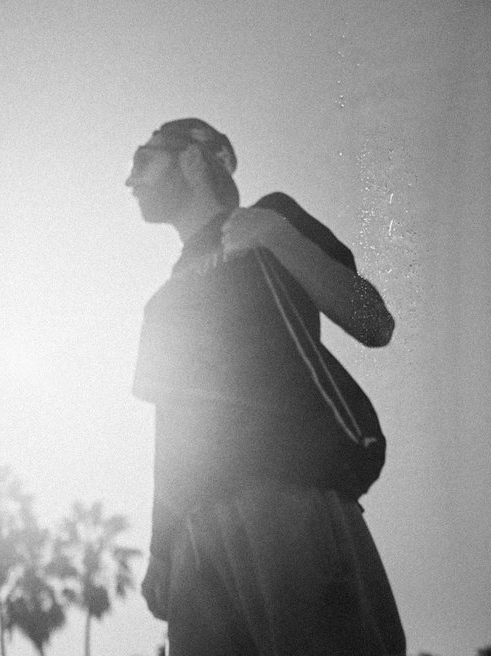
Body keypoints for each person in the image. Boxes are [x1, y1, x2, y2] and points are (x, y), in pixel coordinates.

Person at [127, 118, 406, 655]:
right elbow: (173, 429)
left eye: (144, 159)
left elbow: (374, 321)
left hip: (290, 499)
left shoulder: (272, 218)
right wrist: (162, 548)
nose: (131, 180)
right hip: (195, 543)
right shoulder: (161, 304)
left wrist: (276, 237)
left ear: (194, 158)